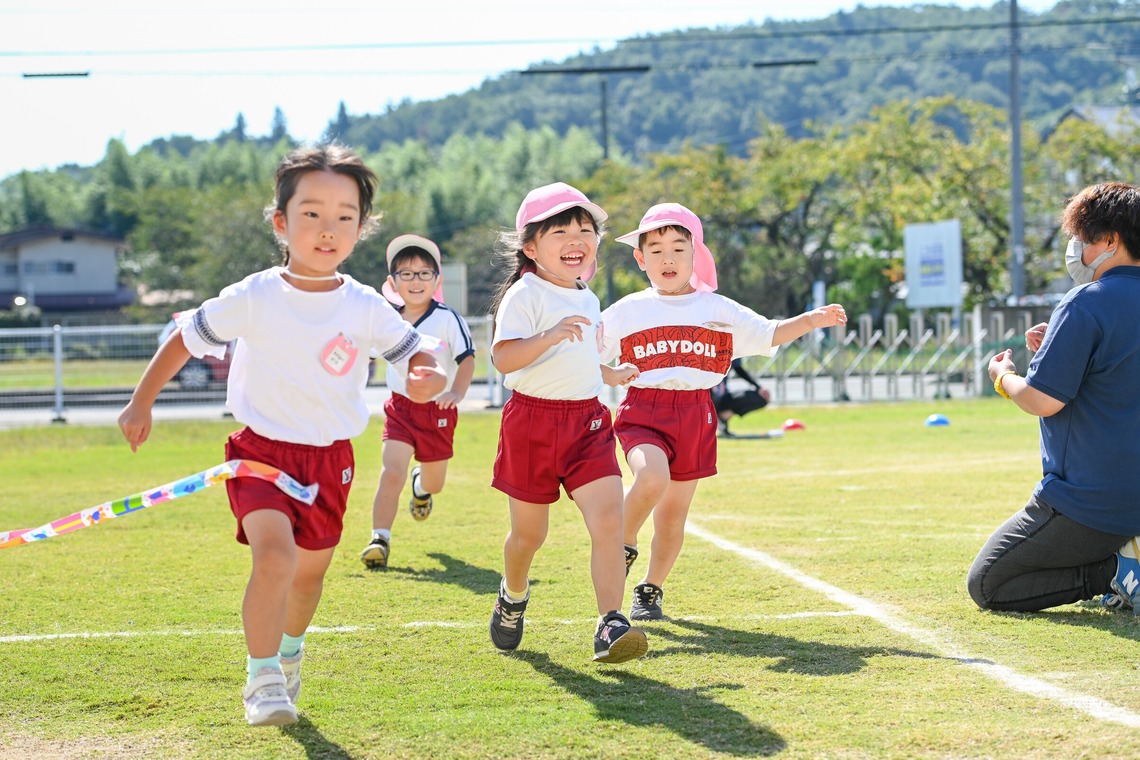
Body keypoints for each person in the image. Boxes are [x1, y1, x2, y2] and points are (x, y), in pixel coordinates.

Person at [118, 144, 447, 727]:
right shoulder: (255, 295)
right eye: (312, 214)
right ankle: (263, 676)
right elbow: (184, 340)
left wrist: (427, 373)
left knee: (310, 573)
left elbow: (414, 351)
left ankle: (290, 652)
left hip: (331, 461)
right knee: (275, 557)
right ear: (281, 223)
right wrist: (141, 402)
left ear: (361, 228)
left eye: (345, 216)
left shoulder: (367, 304)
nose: (328, 229)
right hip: (261, 454)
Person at [600, 202, 847, 621]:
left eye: (679, 248)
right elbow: (588, 358)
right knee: (650, 475)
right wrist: (608, 373)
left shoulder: (717, 309)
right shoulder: (627, 311)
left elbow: (767, 332)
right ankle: (620, 545)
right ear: (640, 258)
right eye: (656, 250)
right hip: (644, 408)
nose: (668, 259)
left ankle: (651, 589)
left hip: (697, 412)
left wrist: (808, 320)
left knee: (673, 519)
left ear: (696, 255)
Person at [486, 181, 647, 664]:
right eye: (560, 231)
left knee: (608, 520)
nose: (576, 239)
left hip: (588, 424)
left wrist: (610, 373)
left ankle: (611, 623)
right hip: (532, 424)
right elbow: (504, 358)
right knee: (529, 537)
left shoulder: (587, 296)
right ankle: (513, 596)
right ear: (531, 248)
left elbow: (578, 357)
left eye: (584, 229)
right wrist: (550, 334)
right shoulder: (524, 294)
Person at [968, 181, 1140, 614]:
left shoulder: (1086, 301)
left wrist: (1003, 376)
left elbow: (1043, 400)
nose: (1077, 247)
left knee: (989, 583)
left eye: (1083, 237)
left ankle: (1114, 573)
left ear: (1110, 240)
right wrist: (1060, 347)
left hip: (1095, 499)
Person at [360, 234, 475, 569]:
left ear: (437, 280)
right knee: (390, 471)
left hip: (439, 410)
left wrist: (456, 392)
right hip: (400, 408)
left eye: (424, 273)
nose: (415, 281)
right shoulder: (387, 319)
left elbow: (467, 358)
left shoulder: (448, 318)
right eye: (406, 274)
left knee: (434, 483)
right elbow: (362, 354)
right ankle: (379, 538)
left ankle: (420, 486)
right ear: (392, 282)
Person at [710, 357, 770, 437]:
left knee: (761, 398)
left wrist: (759, 387)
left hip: (721, 396)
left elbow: (738, 369)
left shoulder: (731, 347)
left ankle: (723, 416)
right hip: (703, 394)